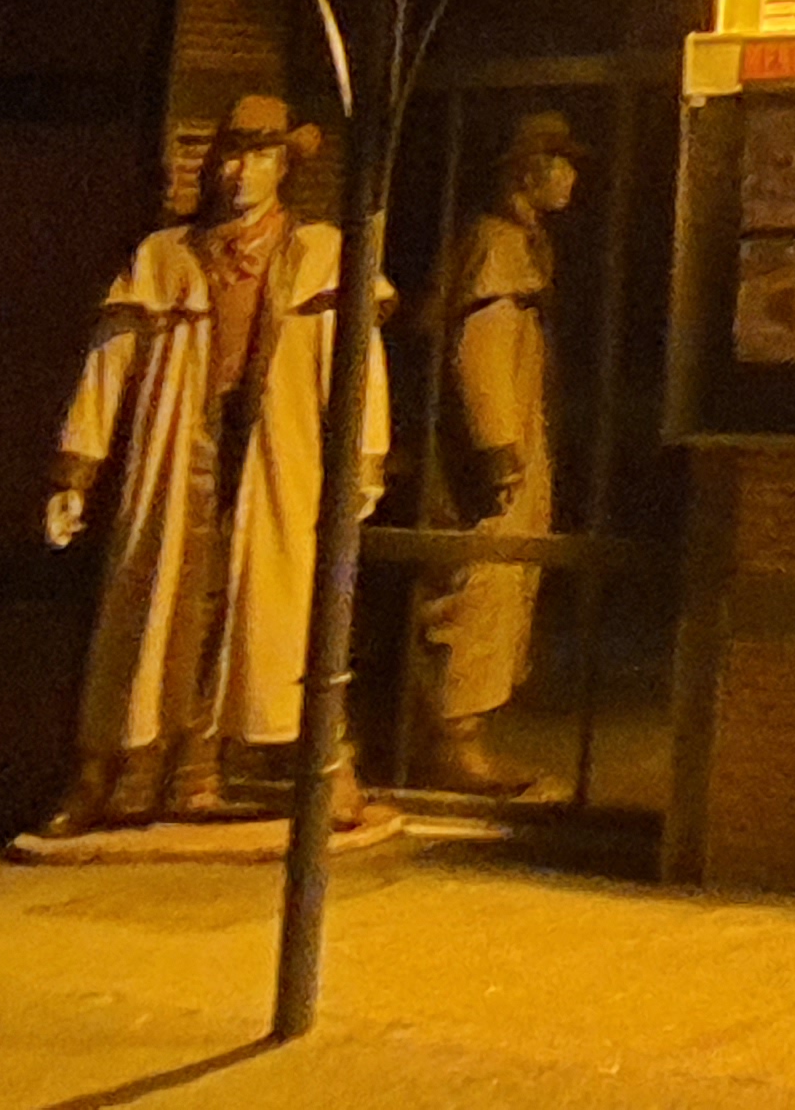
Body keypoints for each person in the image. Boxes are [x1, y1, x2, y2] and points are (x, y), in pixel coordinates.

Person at [37, 94, 390, 834]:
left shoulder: (320, 253)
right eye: (232, 155)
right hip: (178, 450)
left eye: (261, 156)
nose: (241, 172)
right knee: (156, 597)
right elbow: (109, 364)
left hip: (280, 450)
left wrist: (364, 455)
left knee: (282, 605)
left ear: (284, 166)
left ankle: (325, 767)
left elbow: (357, 363)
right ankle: (133, 769)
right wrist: (77, 469)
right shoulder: (164, 257)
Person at [409, 109, 581, 796]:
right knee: (478, 584)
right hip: (489, 455)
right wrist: (497, 445)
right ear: (528, 170)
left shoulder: (522, 242)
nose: (571, 177)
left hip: (512, 438)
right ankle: (453, 740)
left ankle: (462, 731)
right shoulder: (495, 244)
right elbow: (479, 349)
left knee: (501, 582)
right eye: (561, 162)